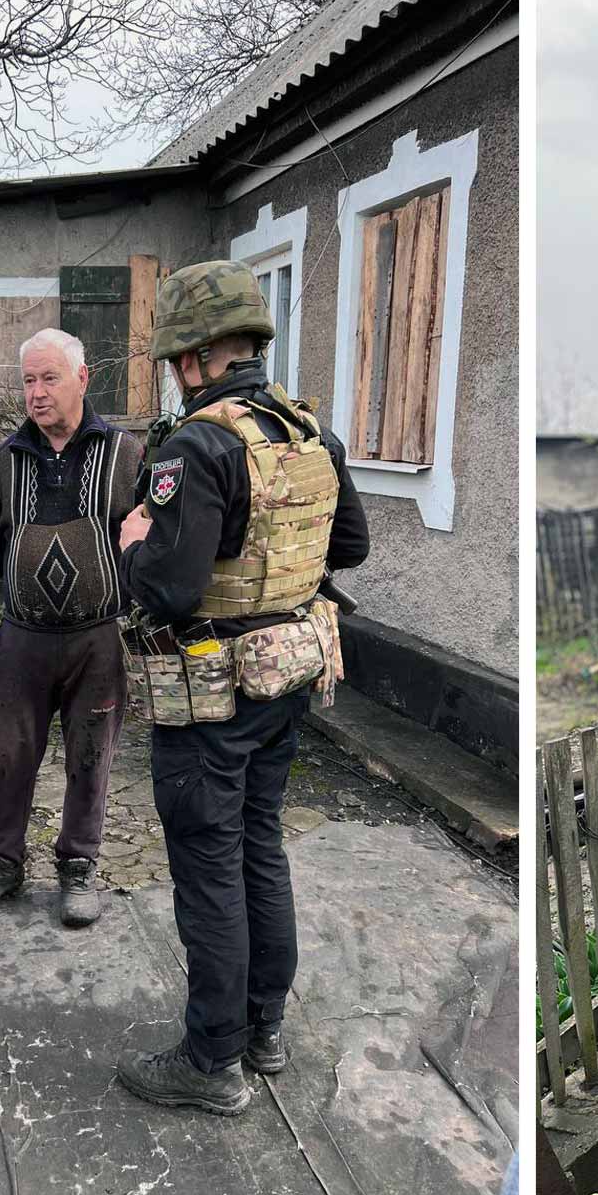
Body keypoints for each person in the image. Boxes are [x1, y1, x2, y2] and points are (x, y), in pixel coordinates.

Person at [111, 260, 368, 1114]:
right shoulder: (307, 434)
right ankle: (264, 1029)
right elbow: (353, 547)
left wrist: (136, 536)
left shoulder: (200, 445)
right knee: (260, 843)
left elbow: (171, 589)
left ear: (191, 357)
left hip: (213, 695)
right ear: (250, 342)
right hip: (290, 676)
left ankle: (211, 1060)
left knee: (210, 865)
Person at [0, 328, 144, 926]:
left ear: (82, 379)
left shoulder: (126, 454)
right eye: (28, 380)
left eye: (49, 378)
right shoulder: (8, 460)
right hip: (23, 639)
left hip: (98, 638)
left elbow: (148, 537)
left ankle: (78, 866)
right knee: (6, 754)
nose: (36, 393)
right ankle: (1, 864)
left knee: (92, 757)